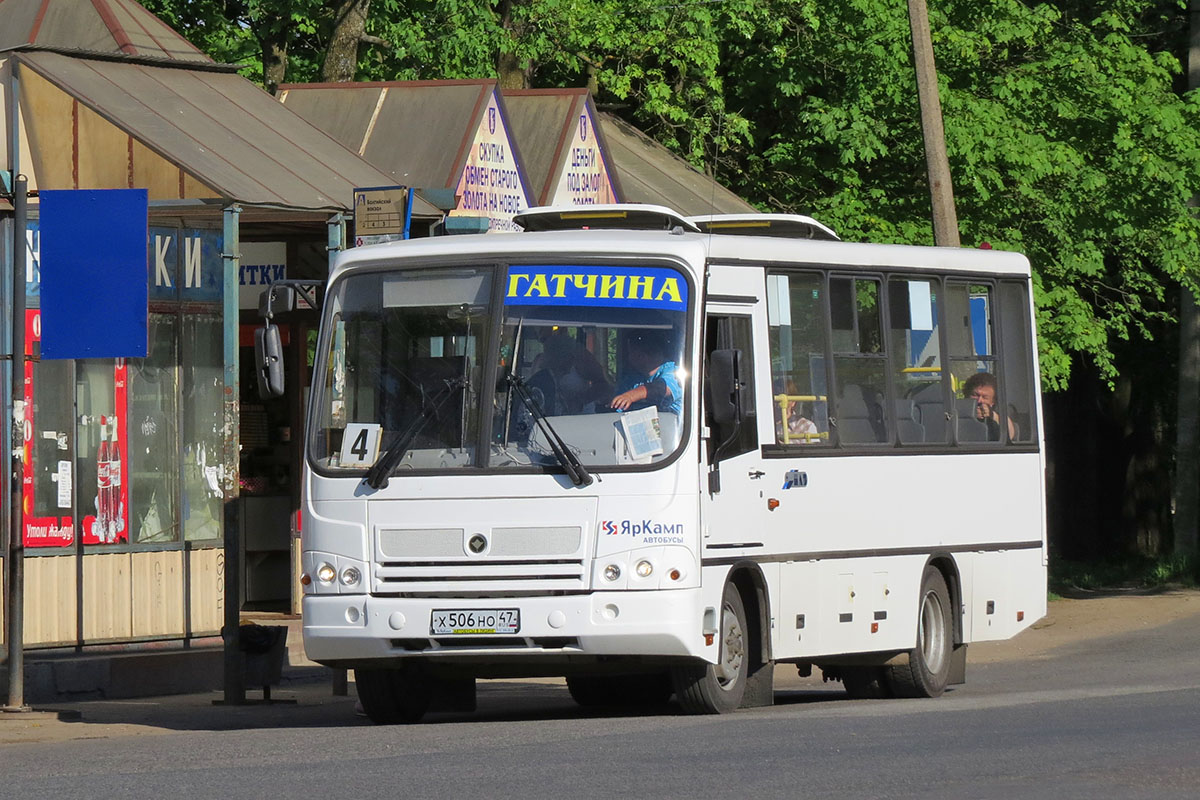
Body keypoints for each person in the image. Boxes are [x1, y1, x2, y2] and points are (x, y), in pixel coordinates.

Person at [528, 331, 611, 415]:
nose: (562, 367)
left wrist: (581, 400)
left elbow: (604, 385)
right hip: (549, 420)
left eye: (566, 360)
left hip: (582, 418)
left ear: (571, 355)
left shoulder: (582, 359)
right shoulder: (540, 365)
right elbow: (531, 390)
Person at [610, 332, 683, 415]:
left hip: (674, 426)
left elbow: (660, 388)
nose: (628, 357)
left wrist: (630, 396)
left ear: (642, 356)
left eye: (631, 353)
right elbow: (617, 407)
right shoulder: (632, 379)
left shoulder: (674, 371)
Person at [962, 371, 1016, 440]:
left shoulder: (999, 414)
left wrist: (992, 415)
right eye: (975, 395)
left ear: (993, 402)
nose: (979, 400)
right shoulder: (957, 411)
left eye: (985, 397)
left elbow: (1010, 435)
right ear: (967, 394)